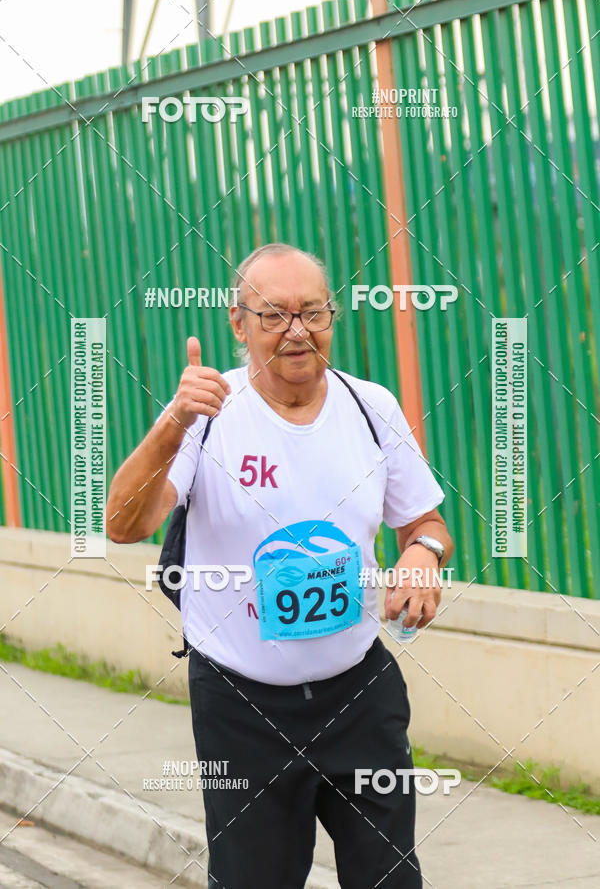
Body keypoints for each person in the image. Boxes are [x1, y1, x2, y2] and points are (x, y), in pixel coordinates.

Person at [106, 243, 454, 888]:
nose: (297, 330)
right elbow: (124, 524)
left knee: (390, 878)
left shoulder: (371, 407)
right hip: (242, 706)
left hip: (359, 695)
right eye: (273, 315)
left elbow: (426, 522)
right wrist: (175, 421)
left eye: (313, 311)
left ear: (333, 318)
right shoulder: (207, 416)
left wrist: (421, 556)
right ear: (238, 325)